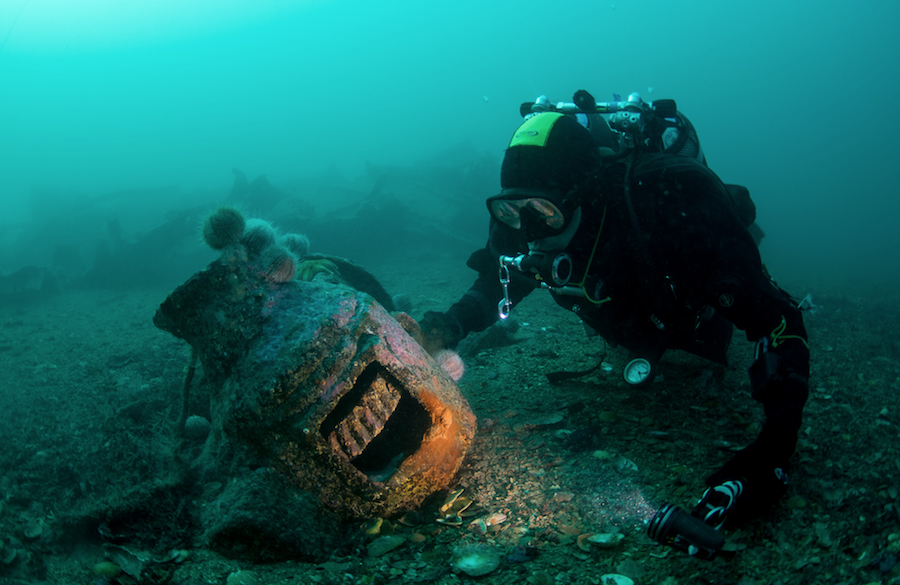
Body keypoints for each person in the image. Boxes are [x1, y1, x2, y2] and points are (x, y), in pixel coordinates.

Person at [418, 91, 810, 528]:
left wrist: (774, 448)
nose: (528, 231)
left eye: (544, 212)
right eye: (512, 210)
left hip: (688, 308)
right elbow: (497, 281)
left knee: (727, 296)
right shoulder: (522, 216)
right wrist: (445, 327)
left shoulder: (668, 208)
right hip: (628, 318)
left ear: (585, 195)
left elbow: (779, 321)